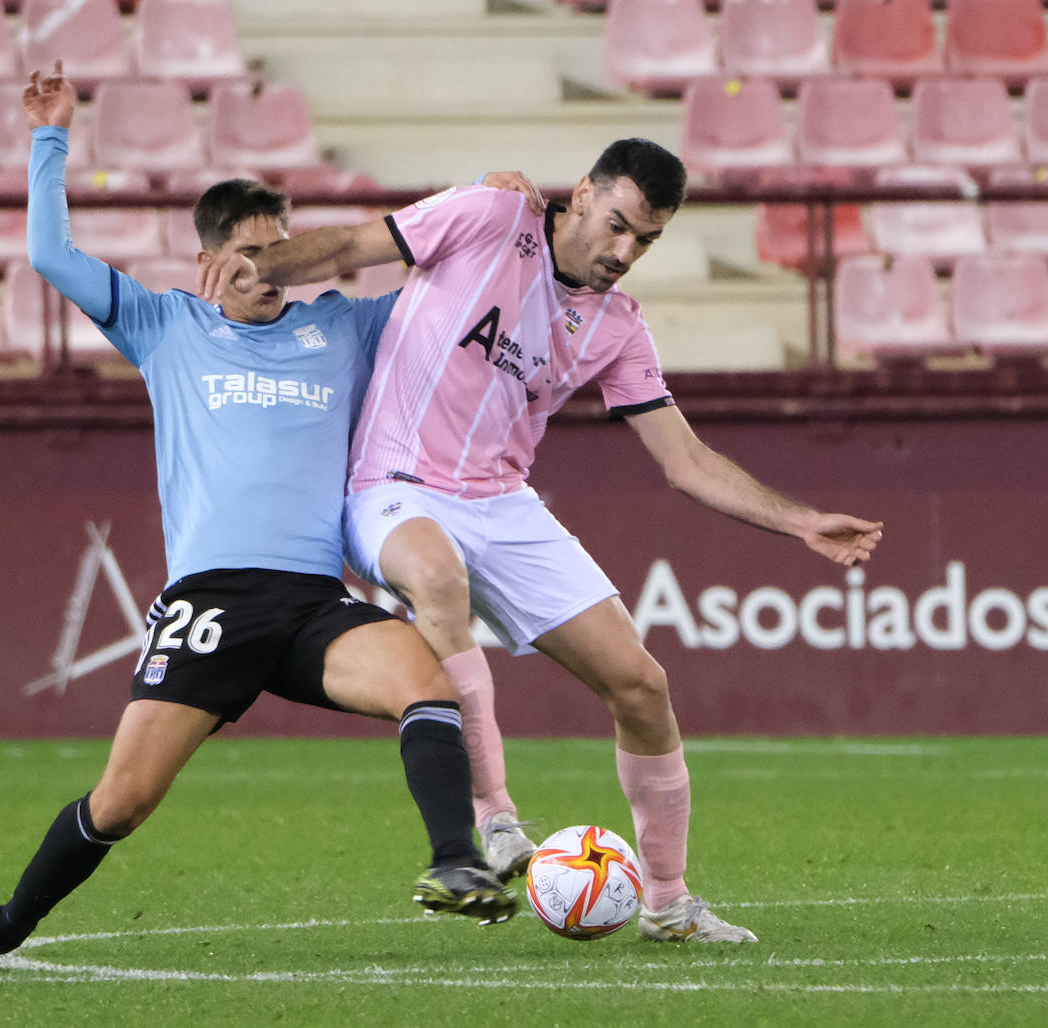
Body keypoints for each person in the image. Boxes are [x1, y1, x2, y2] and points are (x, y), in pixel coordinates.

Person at [0, 64, 542, 959]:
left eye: (284, 245)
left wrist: (489, 200)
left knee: (428, 686)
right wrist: (50, 137)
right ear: (211, 259)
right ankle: (6, 927)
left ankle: (454, 862)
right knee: (122, 802)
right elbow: (51, 258)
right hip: (211, 603)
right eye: (256, 250)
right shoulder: (163, 324)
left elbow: (449, 278)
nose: (275, 265)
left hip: (312, 602)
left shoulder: (343, 327)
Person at [199, 138, 884, 945]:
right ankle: (493, 820)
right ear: (584, 194)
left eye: (647, 240)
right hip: (394, 483)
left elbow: (684, 459)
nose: (625, 252)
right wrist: (262, 269)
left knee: (642, 686)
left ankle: (668, 903)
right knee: (439, 579)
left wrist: (801, 520)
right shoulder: (489, 215)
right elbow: (351, 246)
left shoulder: (620, 327)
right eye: (619, 226)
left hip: (503, 503)